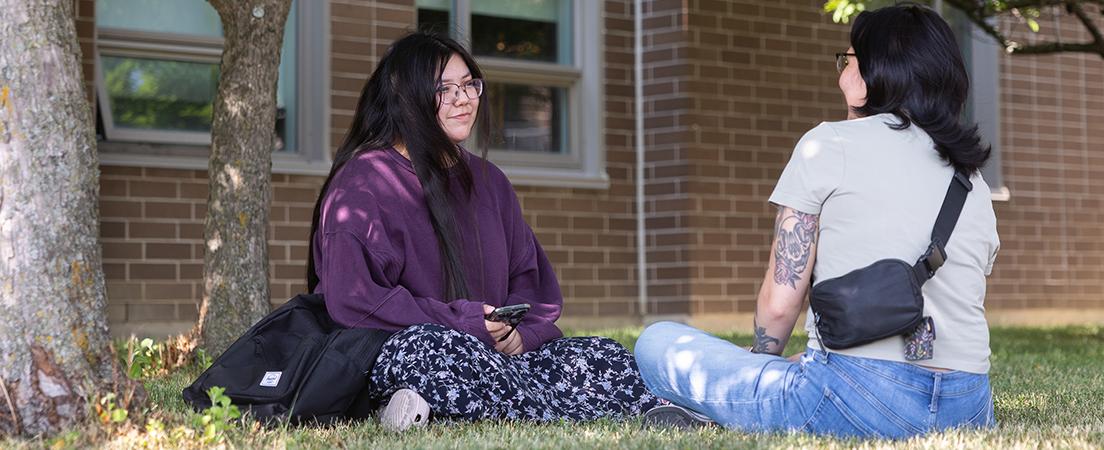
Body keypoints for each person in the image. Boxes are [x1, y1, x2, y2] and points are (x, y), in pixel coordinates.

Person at [633, 4, 1000, 439]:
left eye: (847, 60)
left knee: (656, 342)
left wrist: (757, 364)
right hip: (970, 406)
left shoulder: (828, 144)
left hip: (854, 399)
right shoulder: (970, 177)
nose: (841, 73)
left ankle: (729, 412)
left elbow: (781, 303)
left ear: (870, 75)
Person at [307, 32, 658, 431]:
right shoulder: (363, 184)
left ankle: (442, 406)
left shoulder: (491, 182)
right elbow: (354, 302)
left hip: (494, 353)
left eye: (469, 84)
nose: (463, 98)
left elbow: (532, 283)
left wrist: (521, 335)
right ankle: (522, 403)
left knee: (601, 354)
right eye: (444, 89)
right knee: (435, 351)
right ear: (406, 97)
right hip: (405, 348)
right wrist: (463, 320)